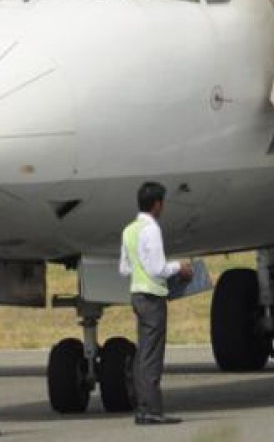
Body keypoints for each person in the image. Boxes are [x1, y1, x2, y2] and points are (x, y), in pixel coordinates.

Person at [119, 182, 193, 426]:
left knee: (144, 353)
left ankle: (143, 407)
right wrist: (179, 268)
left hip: (137, 295)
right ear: (158, 204)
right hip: (152, 297)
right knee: (152, 356)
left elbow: (124, 268)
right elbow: (158, 268)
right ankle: (151, 409)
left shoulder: (129, 230)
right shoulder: (151, 230)